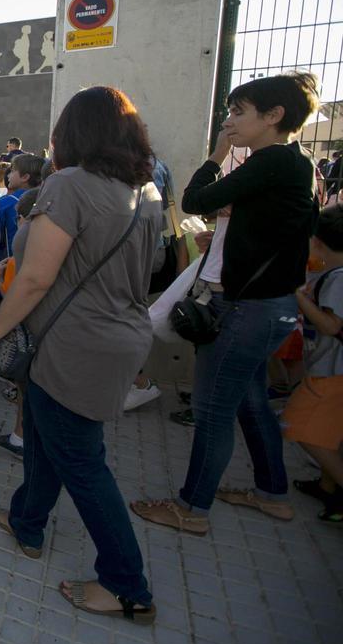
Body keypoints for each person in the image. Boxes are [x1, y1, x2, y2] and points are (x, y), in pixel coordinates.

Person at [0, 86, 163, 624]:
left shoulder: (70, 186)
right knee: (44, 433)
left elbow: (33, 279)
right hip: (118, 334)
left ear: (73, 134)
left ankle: (128, 585)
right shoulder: (144, 190)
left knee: (80, 460)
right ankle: (27, 521)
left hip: (73, 342)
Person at [133, 71, 319, 534]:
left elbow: (195, 199)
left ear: (274, 116)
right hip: (266, 308)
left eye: (238, 113)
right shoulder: (294, 163)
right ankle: (272, 493)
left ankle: (190, 509)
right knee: (250, 400)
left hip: (245, 310)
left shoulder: (272, 160)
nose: (230, 122)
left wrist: (217, 154)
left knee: (213, 410)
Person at [283, 205, 343, 522]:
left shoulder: (338, 278)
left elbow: (331, 326)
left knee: (300, 427)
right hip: (330, 368)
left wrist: (299, 296)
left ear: (317, 240)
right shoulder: (331, 273)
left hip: (333, 371)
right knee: (329, 431)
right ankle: (328, 486)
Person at [0, 187, 41, 460]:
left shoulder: (17, 258)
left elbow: (14, 302)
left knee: (25, 390)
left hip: (28, 340)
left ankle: (20, 438)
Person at [0, 154, 44, 313]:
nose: (8, 174)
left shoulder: (7, 202)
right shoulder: (45, 197)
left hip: (7, 265)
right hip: (36, 267)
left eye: (13, 170)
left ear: (25, 177)